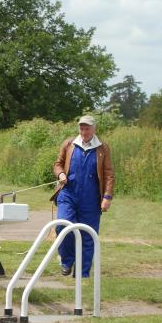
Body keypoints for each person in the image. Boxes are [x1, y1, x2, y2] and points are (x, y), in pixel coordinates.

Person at [51, 114, 114, 277]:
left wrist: (107, 197)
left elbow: (108, 174)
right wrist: (60, 174)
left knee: (88, 234)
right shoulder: (69, 144)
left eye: (87, 128)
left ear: (94, 129)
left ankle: (82, 273)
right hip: (68, 194)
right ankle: (66, 260)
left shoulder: (103, 148)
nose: (84, 131)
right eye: (81, 128)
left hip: (91, 198)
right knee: (62, 226)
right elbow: (58, 164)